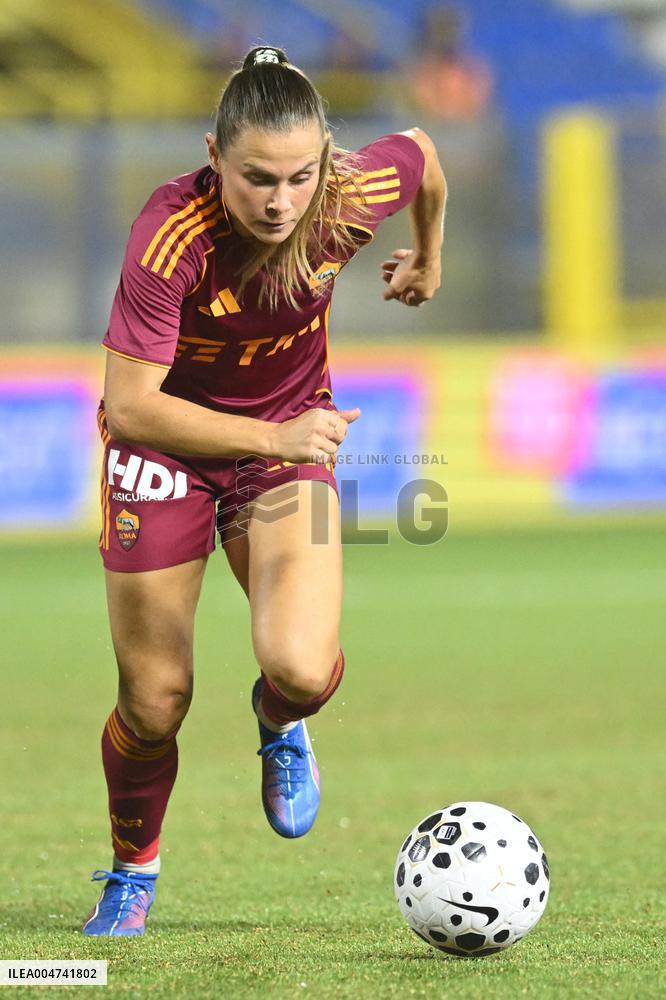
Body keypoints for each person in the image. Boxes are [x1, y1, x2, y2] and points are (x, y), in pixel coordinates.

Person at [82, 45, 446, 936]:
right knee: (155, 699)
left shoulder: (349, 195)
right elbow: (131, 409)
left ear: (326, 158)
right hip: (167, 449)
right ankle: (134, 869)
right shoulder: (171, 233)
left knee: (303, 669)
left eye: (299, 176)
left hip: (280, 445)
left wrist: (429, 258)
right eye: (255, 179)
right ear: (214, 156)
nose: (280, 202)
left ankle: (278, 721)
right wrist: (272, 436)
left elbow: (426, 156)